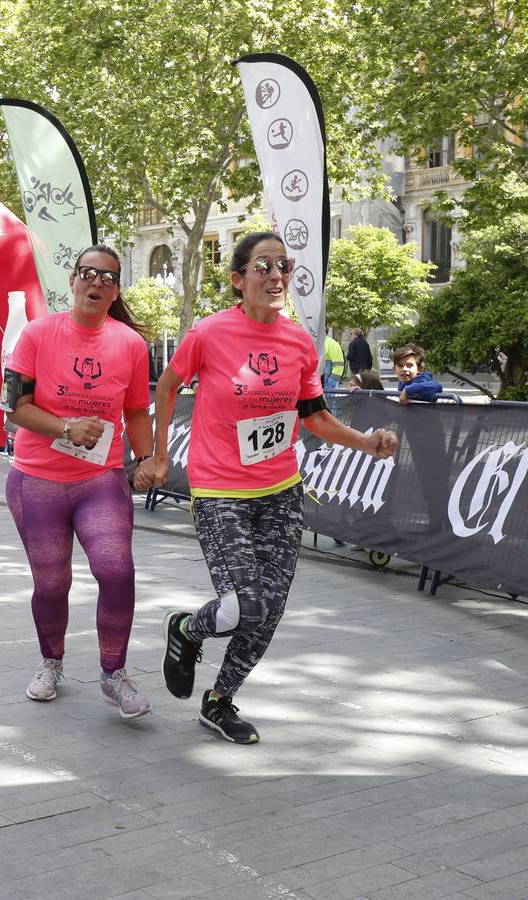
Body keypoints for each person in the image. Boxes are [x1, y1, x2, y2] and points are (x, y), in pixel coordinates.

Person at [135, 231, 398, 744]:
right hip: (220, 492)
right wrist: (161, 455)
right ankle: (186, 629)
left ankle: (220, 701)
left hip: (280, 490)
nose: (277, 276)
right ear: (239, 280)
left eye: (285, 266)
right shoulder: (209, 334)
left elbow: (314, 417)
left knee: (269, 611)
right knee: (245, 606)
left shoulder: (299, 341)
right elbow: (167, 386)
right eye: (263, 266)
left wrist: (366, 443)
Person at [2, 244, 156, 719]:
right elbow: (15, 407)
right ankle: (51, 663)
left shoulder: (130, 344)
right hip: (38, 479)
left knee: (117, 571)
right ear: (72, 281)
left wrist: (147, 458)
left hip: (100, 478)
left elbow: (134, 411)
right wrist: (66, 428)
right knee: (52, 584)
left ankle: (115, 675)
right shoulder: (37, 333)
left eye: (108, 278)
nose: (97, 283)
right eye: (88, 274)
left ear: (115, 291)